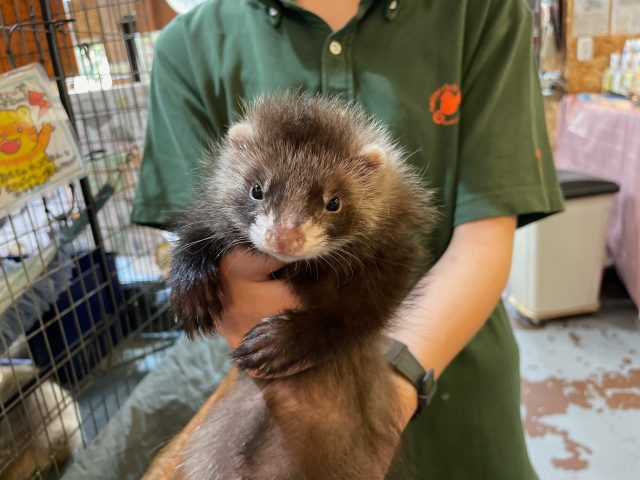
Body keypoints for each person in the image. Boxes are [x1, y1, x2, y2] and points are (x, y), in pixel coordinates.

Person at [131, 0, 564, 478]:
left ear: (371, 176)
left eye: (332, 204)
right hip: (270, 405)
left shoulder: (484, 13)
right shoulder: (188, 47)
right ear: (237, 153)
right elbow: (192, 239)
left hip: (462, 404)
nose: (284, 232)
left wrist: (388, 388)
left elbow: (481, 243)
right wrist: (195, 272)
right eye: (258, 193)